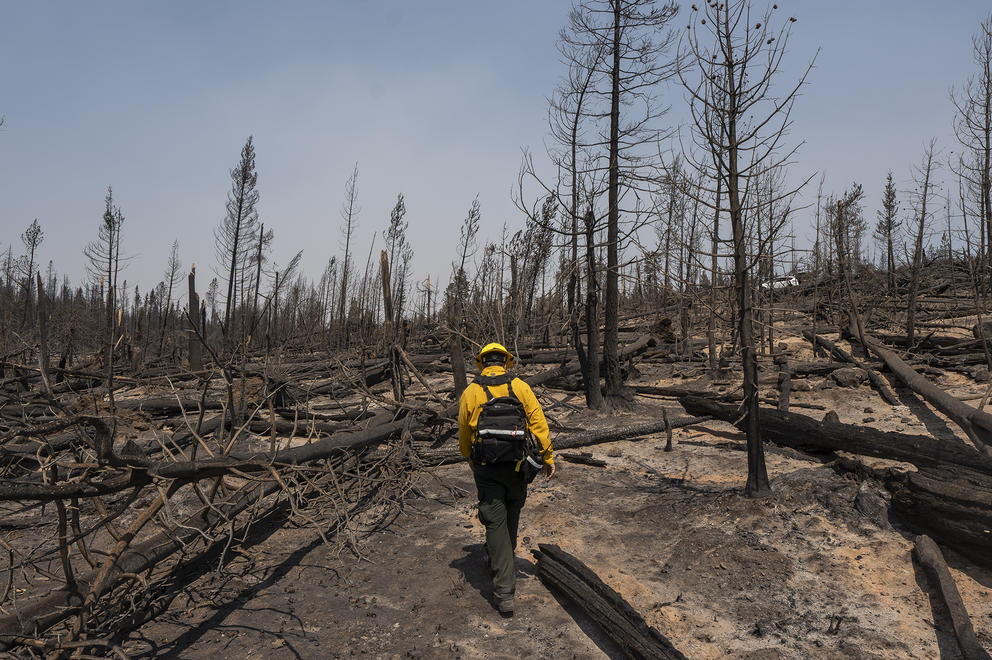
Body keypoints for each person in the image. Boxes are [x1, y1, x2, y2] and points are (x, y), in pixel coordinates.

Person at [458, 342, 555, 615]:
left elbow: (464, 435)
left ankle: (504, 590)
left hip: (486, 468)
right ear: (505, 362)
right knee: (510, 515)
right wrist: (547, 457)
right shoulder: (521, 387)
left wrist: (469, 458)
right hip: (517, 466)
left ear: (482, 363)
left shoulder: (472, 391)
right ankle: (502, 561)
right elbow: (538, 424)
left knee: (495, 520)